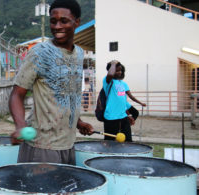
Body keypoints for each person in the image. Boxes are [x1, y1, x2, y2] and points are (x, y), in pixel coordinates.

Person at [8, 0, 94, 165]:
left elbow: (69, 94)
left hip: (68, 144)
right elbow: (16, 95)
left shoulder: (80, 54)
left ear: (77, 22)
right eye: (53, 22)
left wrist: (78, 122)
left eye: (64, 21)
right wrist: (20, 125)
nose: (57, 26)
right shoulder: (39, 53)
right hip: (42, 147)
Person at [103, 60, 145, 142]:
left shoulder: (123, 84)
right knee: (110, 143)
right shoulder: (107, 81)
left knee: (128, 141)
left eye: (120, 70)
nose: (119, 72)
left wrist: (129, 115)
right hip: (111, 117)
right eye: (117, 70)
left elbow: (123, 102)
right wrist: (114, 63)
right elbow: (110, 74)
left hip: (123, 116)